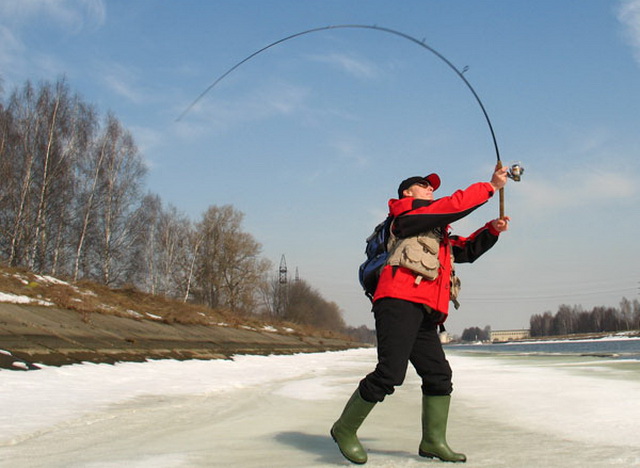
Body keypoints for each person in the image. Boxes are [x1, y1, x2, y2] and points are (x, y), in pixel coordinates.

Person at [331, 165, 510, 464]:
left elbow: (464, 250)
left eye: (432, 188)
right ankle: (344, 429)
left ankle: (432, 442)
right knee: (390, 374)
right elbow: (451, 206)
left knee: (439, 376)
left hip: (425, 311)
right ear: (407, 193)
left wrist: (492, 230)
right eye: (424, 186)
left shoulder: (435, 231)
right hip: (398, 301)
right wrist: (489, 187)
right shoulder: (405, 217)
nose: (431, 190)